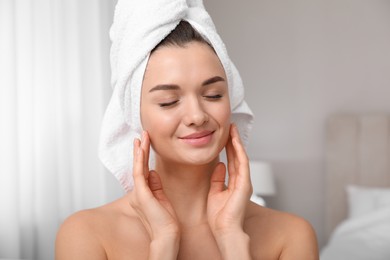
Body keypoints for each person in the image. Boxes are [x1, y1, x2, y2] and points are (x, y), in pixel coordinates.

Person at [56, 2, 319, 259]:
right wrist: (164, 242)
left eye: (213, 95)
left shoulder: (290, 236)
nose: (196, 116)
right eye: (169, 101)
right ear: (136, 116)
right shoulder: (88, 234)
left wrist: (232, 240)